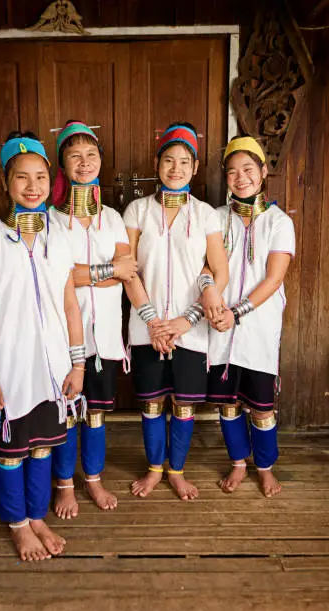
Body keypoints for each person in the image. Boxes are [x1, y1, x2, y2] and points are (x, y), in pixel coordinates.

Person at [0, 131, 85, 561]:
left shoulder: (61, 236)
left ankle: (36, 515)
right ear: (6, 182)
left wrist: (78, 365)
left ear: (50, 181)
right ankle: (17, 525)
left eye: (39, 177)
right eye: (21, 178)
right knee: (11, 452)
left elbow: (71, 305)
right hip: (10, 368)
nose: (32, 187)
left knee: (42, 447)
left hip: (53, 368)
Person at [122, 122, 229, 500]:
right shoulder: (136, 210)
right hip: (145, 324)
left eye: (184, 162)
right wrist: (153, 321)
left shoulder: (205, 215)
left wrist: (186, 321)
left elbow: (220, 271)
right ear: (157, 163)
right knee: (151, 402)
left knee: (183, 405)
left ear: (195, 168)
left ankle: (177, 471)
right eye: (169, 160)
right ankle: (154, 470)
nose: (176, 169)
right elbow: (128, 268)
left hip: (191, 327)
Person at [50, 120, 137, 518]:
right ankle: (64, 486)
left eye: (91, 155)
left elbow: (129, 268)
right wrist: (106, 271)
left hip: (104, 340)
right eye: (75, 156)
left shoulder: (114, 219)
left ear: (101, 160)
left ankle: (94, 479)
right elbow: (59, 276)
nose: (84, 163)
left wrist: (89, 272)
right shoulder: (50, 219)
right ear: (62, 166)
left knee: (97, 412)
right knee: (67, 412)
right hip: (65, 336)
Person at [207, 135, 295, 498]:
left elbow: (274, 278)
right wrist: (210, 293)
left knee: (261, 407)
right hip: (220, 328)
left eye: (247, 169)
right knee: (227, 405)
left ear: (262, 172)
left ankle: (265, 466)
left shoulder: (278, 222)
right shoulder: (215, 218)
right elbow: (204, 267)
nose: (240, 177)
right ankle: (239, 462)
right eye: (232, 171)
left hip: (257, 326)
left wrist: (236, 311)